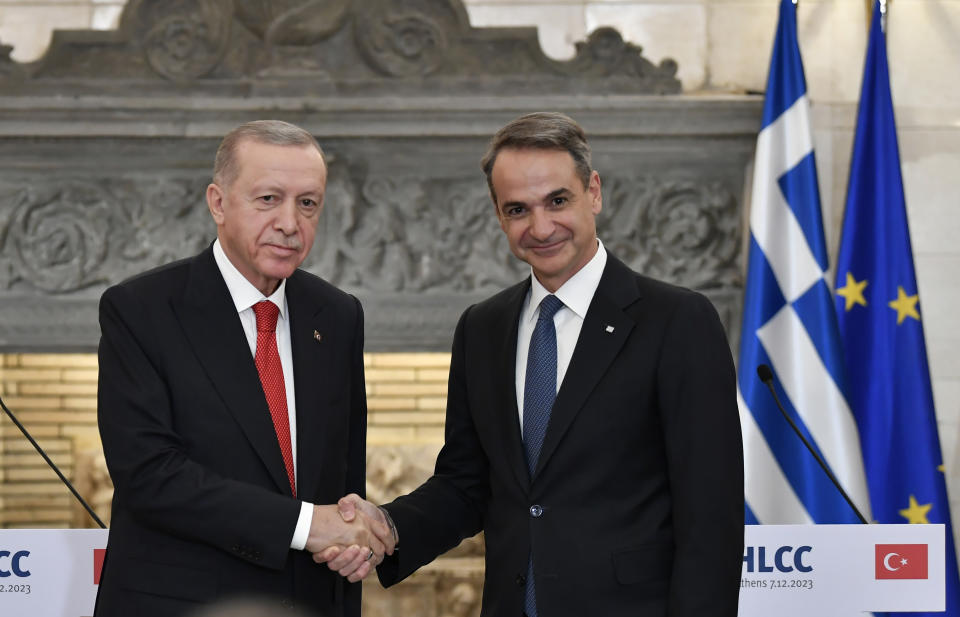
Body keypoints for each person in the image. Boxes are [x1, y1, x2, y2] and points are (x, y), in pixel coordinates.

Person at [327, 112, 744, 616]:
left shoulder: (678, 321)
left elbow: (711, 517)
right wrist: (389, 527)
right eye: (518, 209)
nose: (541, 227)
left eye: (558, 201)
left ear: (594, 191)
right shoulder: (482, 327)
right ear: (498, 214)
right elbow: (467, 482)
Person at [95, 120, 393, 617]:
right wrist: (306, 526)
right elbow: (149, 476)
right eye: (268, 199)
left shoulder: (338, 314)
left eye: (308, 203)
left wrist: (351, 542)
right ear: (218, 203)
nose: (290, 223)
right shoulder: (141, 309)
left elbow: (342, 478)